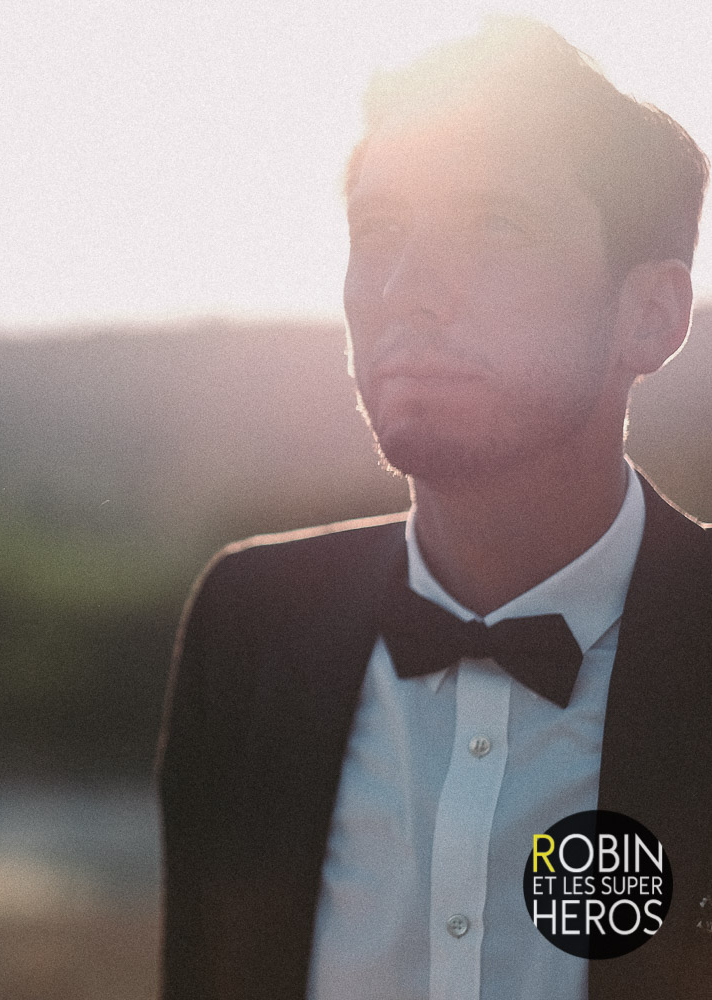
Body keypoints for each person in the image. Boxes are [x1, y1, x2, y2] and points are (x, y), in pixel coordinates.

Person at [157, 19, 711, 1000]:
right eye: (378, 231)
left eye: (498, 227)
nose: (407, 288)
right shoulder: (249, 626)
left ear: (652, 315)